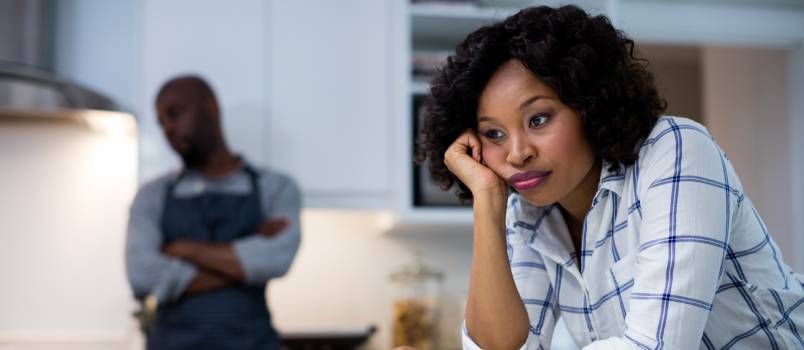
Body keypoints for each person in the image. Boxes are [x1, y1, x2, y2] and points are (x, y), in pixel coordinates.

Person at [415, 5, 803, 350]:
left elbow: (654, 346)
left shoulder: (677, 150)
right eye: (494, 134)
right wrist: (487, 200)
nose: (517, 154)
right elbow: (504, 347)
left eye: (539, 119)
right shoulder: (530, 213)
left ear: (588, 104)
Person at [125, 75, 301, 350]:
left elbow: (276, 259)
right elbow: (141, 275)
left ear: (211, 107)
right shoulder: (151, 196)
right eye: (161, 122)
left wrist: (183, 249)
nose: (168, 128)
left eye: (175, 114)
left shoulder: (275, 188)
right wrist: (244, 266)